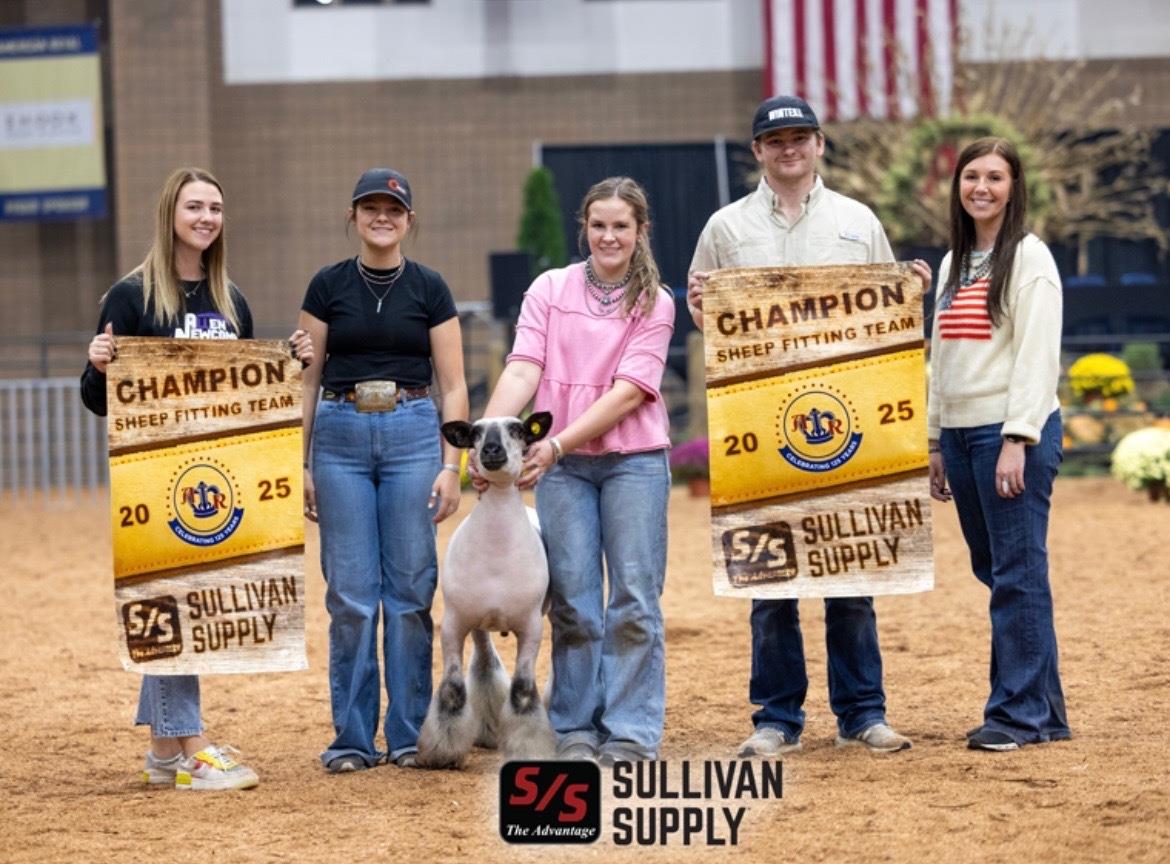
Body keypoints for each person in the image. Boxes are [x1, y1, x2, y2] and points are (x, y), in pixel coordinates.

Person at [687, 96, 920, 756]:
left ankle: (863, 714)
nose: (788, 148)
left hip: (845, 417)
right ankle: (776, 718)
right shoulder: (725, 228)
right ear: (757, 151)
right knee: (771, 580)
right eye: (774, 139)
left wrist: (909, 291)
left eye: (799, 137)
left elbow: (887, 312)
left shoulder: (859, 220)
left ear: (820, 144)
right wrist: (704, 308)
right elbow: (706, 312)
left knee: (849, 570)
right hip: (760, 418)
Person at [82, 166, 314, 790]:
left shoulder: (230, 300)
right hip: (153, 481)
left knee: (187, 606)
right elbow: (99, 401)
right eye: (194, 207)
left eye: (215, 207)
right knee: (167, 601)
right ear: (170, 215)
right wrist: (98, 364)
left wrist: (287, 365)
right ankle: (192, 748)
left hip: (216, 478)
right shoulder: (130, 296)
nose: (206, 217)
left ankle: (163, 751)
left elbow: (245, 391)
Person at [479, 176, 674, 766]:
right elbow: (522, 369)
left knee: (635, 599)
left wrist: (557, 443)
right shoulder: (550, 288)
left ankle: (631, 732)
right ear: (583, 228)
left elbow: (629, 393)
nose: (608, 236)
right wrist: (489, 435)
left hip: (632, 462)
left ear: (640, 232)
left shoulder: (656, 301)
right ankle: (575, 728)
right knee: (574, 603)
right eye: (598, 225)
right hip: (562, 470)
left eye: (621, 226)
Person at [298, 168, 468, 773]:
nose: (382, 217)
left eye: (393, 209)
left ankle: (407, 734)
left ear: (408, 220)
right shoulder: (326, 286)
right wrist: (302, 462)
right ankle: (349, 738)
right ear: (354, 216)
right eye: (370, 207)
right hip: (339, 435)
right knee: (350, 597)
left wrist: (453, 465)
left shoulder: (429, 288)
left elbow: (453, 384)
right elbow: (308, 379)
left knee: (409, 592)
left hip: (411, 432)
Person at [927, 137, 1070, 752]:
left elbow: (1037, 357)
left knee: (1017, 572)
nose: (980, 187)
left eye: (994, 177)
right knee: (1000, 571)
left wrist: (1019, 436)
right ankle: (1045, 710)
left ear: (1014, 188)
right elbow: (941, 357)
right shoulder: (953, 263)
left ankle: (1015, 715)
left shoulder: (1029, 258)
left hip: (1007, 432)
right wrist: (935, 440)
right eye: (970, 177)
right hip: (960, 435)